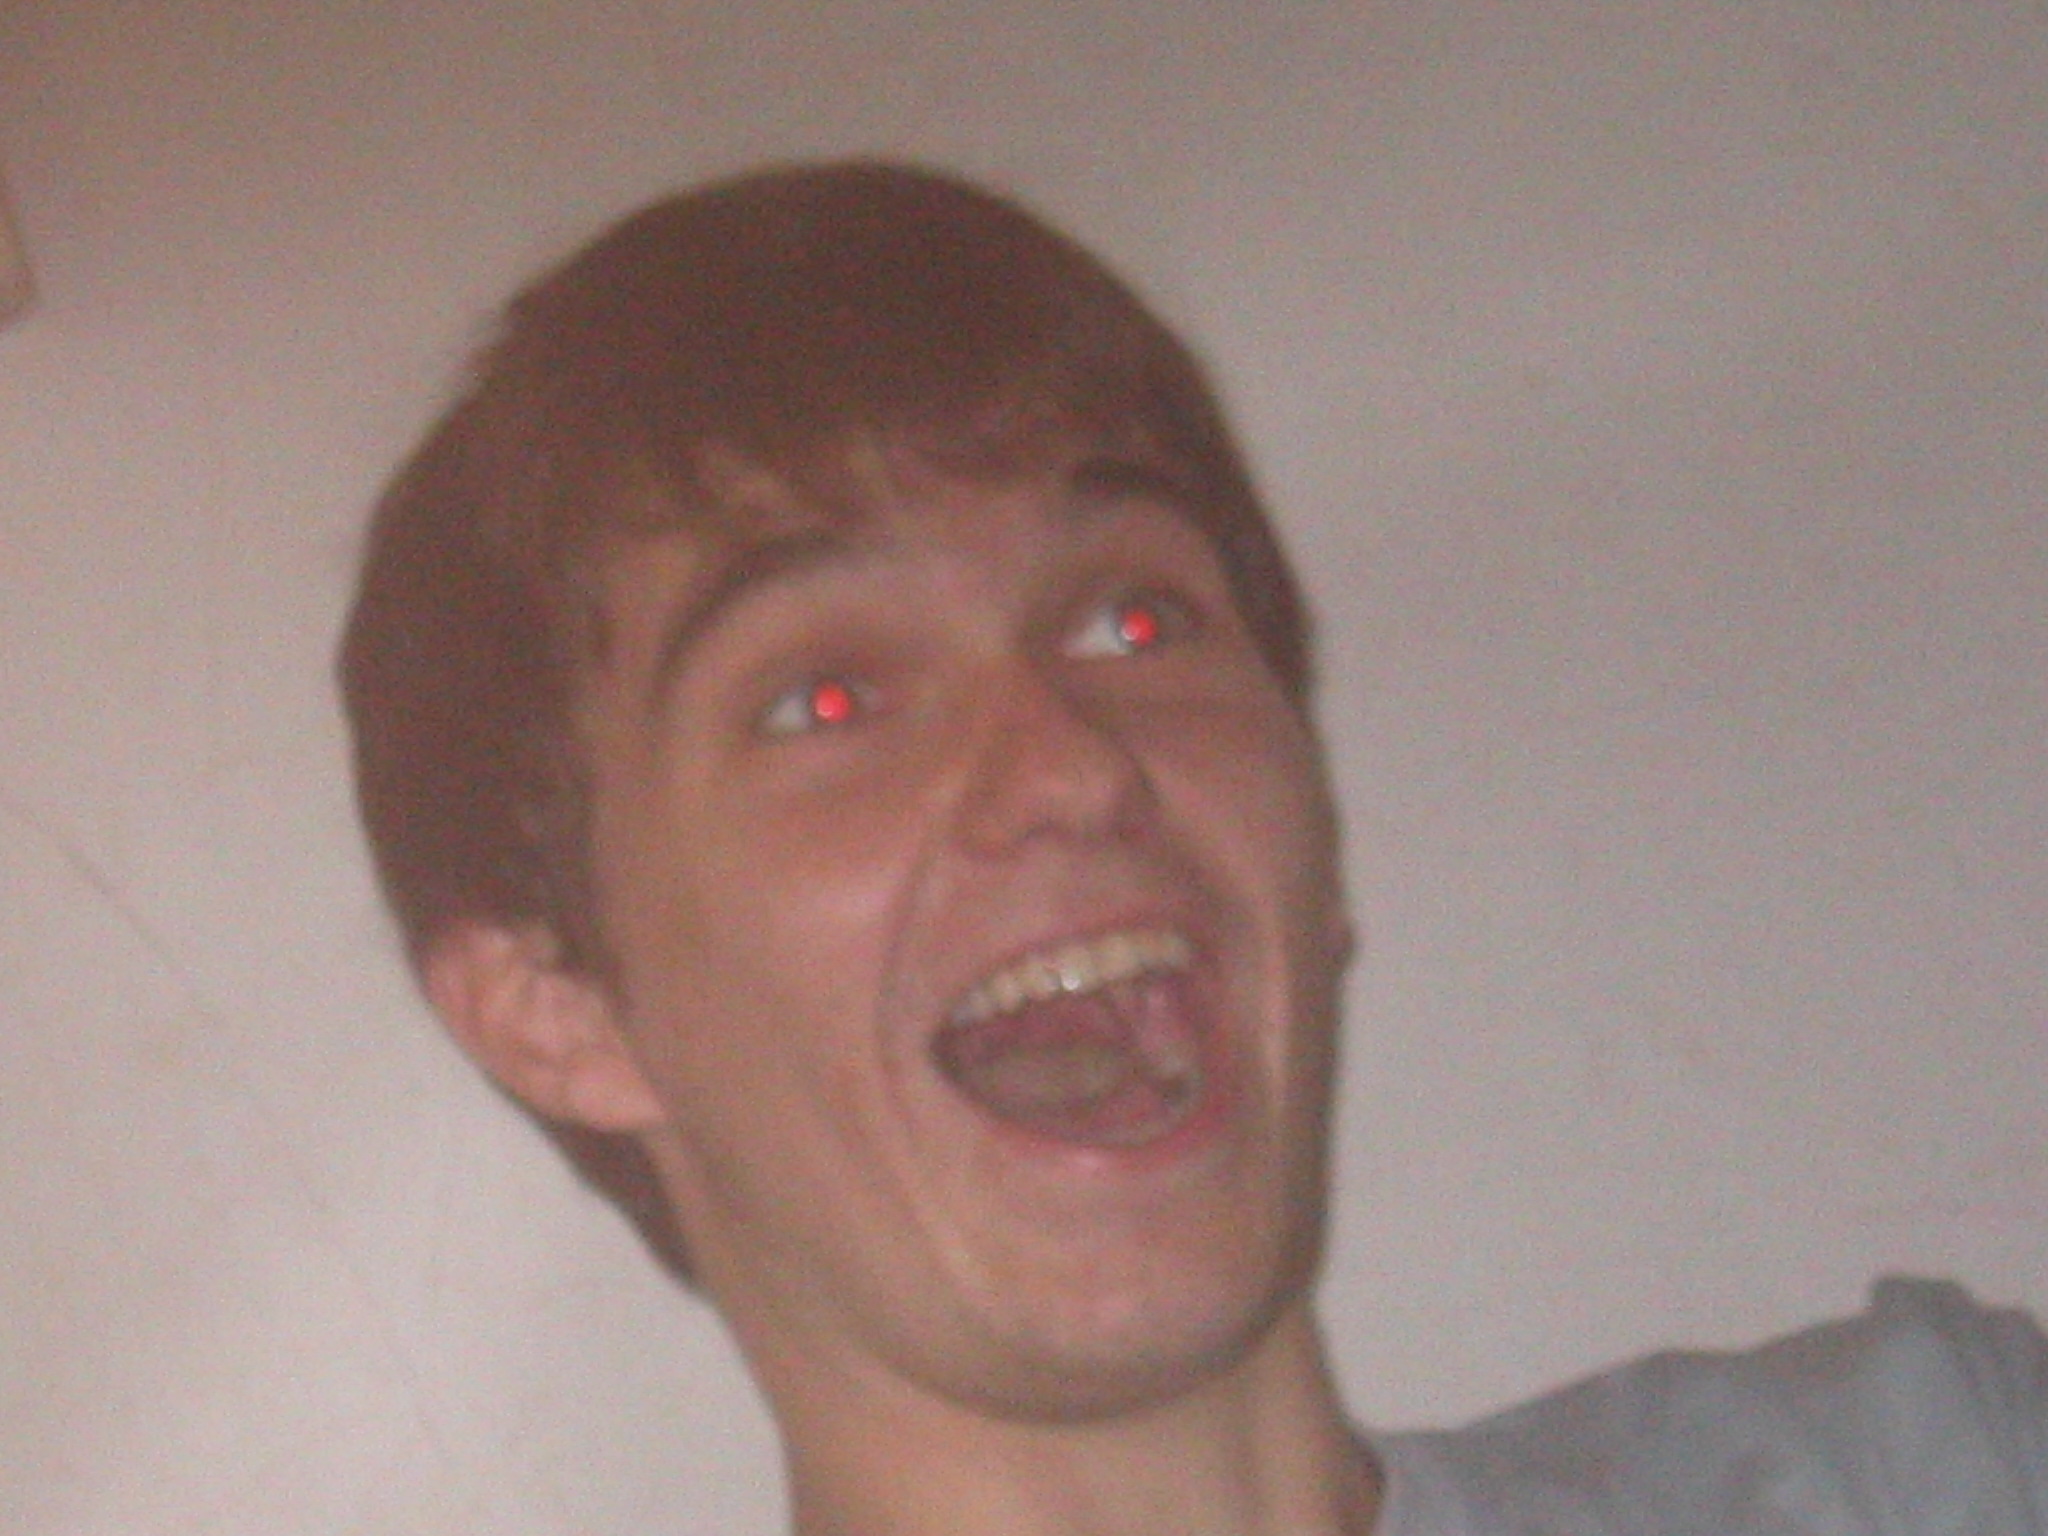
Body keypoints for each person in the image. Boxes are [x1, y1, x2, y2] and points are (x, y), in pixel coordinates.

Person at [338, 160, 2047, 1535]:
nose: (1066, 764)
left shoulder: (1934, 1473)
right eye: (830, 699)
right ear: (562, 1011)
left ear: (1318, 851)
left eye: (1136, 620)